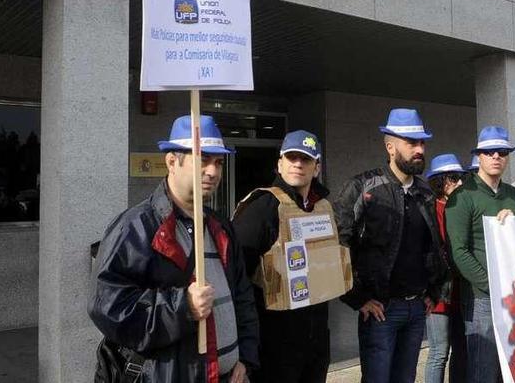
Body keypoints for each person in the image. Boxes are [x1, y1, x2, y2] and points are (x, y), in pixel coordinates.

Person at [89, 115, 258, 383]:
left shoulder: (221, 228)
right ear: (171, 162)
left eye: (218, 163)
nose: (213, 171)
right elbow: (108, 309)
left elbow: (243, 298)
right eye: (202, 160)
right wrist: (183, 307)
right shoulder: (136, 227)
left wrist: (246, 358)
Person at [334, 108, 449, 383]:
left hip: (417, 309)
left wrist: (433, 291)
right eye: (411, 143)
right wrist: (357, 298)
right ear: (390, 146)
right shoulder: (363, 187)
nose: (419, 149)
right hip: (380, 311)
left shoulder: (425, 193)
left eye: (422, 142)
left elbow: (434, 246)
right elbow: (338, 244)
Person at [232, 130, 346, 383]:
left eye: (305, 159)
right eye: (291, 157)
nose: (297, 164)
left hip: (315, 341)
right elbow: (235, 279)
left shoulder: (323, 207)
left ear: (316, 168)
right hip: (274, 344)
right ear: (279, 163)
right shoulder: (262, 208)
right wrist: (244, 348)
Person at [445, 126, 515, 383]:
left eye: (502, 152)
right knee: (483, 370)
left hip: (514, 295)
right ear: (479, 156)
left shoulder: (512, 194)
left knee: (512, 369)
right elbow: (459, 251)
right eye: (489, 152)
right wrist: (491, 284)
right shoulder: (462, 196)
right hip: (481, 298)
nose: (496, 157)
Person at [424, 154, 467, 383]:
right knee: (440, 352)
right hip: (438, 293)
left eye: (460, 177)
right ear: (441, 181)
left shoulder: (459, 207)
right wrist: (427, 291)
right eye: (453, 178)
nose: (459, 183)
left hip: (460, 291)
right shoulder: (429, 209)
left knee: (461, 349)